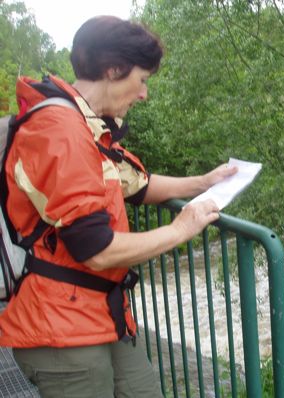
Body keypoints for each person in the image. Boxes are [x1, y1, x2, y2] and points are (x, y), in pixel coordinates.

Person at [0, 16, 236, 397]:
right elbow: (96, 250)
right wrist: (180, 229)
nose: (144, 93)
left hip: (100, 313)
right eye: (141, 80)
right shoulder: (60, 129)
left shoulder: (87, 125)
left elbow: (136, 186)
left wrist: (205, 181)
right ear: (113, 70)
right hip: (61, 329)